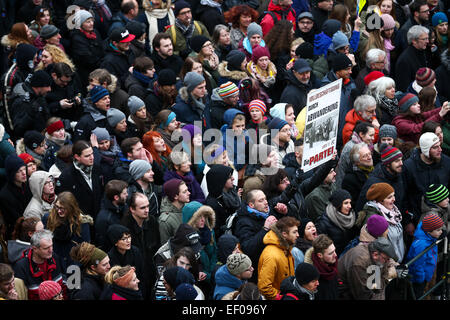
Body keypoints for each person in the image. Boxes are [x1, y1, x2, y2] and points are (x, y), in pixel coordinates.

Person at [402, 132, 450, 228]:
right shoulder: (409, 167)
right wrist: (407, 221)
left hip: (444, 217)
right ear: (426, 150)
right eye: (435, 147)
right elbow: (404, 195)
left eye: (439, 146)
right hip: (418, 219)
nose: (440, 150)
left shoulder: (447, 162)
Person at [121, 192, 160, 297]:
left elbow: (157, 246)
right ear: (132, 209)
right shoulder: (125, 227)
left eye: (148, 206)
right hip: (135, 275)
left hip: (151, 272)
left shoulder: (152, 221)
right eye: (142, 208)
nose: (147, 210)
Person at [233, 189, 278, 283]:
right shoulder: (243, 222)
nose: (266, 203)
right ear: (251, 205)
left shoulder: (266, 213)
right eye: (261, 200)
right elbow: (248, 248)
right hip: (257, 270)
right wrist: (265, 229)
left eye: (265, 199)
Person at [357, 183, 405, 263]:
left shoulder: (393, 212)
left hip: (397, 260)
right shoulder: (373, 218)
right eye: (389, 197)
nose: (394, 199)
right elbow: (375, 247)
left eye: (393, 195)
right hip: (387, 263)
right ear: (379, 200)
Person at [56, 140, 104, 220]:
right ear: (77, 157)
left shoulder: (96, 168)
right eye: (87, 156)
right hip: (80, 221)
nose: (92, 157)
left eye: (92, 154)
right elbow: (63, 201)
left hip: (98, 216)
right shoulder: (66, 177)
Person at [13, 229, 66, 300]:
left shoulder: (55, 258)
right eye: (46, 248)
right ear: (35, 248)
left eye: (51, 246)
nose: (51, 250)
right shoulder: (21, 267)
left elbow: (65, 284)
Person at [356, 143, 404, 213]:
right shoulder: (374, 182)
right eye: (397, 161)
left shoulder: (398, 174)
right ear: (387, 164)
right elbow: (361, 208)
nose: (401, 163)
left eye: (401, 160)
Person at [258, 216, 298, 299]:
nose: (298, 235)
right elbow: (264, 287)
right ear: (284, 234)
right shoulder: (271, 255)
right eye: (294, 232)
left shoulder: (286, 249)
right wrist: (281, 297)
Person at [321, 53, 356, 149]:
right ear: (338, 71)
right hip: (333, 139)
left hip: (347, 133)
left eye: (351, 68)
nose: (350, 72)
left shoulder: (350, 82)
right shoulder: (327, 88)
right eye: (347, 69)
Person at [406, 213, 444, 299]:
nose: (441, 232)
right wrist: (421, 279)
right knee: (418, 296)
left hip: (427, 274)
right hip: (419, 279)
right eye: (438, 230)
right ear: (429, 231)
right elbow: (417, 264)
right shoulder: (421, 245)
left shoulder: (430, 237)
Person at [9, 70, 52, 139]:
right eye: (47, 86)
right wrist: (31, 114)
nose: (49, 89)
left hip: (42, 138)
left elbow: (47, 117)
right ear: (38, 86)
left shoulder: (39, 97)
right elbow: (18, 130)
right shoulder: (21, 101)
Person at [315, 189, 357, 255]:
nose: (350, 206)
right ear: (338, 205)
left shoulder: (351, 217)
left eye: (350, 203)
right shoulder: (323, 223)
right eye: (346, 203)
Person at [69, 10, 104, 89]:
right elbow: (88, 59)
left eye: (92, 20)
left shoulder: (95, 32)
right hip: (87, 74)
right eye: (88, 22)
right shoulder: (77, 38)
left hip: (99, 68)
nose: (92, 23)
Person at [205, 164, 241, 239]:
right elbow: (216, 232)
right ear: (220, 181)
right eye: (229, 177)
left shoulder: (232, 193)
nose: (233, 178)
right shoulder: (211, 205)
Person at [0, 154, 32, 238]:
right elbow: (16, 219)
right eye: (18, 171)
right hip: (18, 231)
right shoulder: (5, 195)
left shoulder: (27, 183)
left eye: (23, 169)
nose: (24, 173)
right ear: (11, 174)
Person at [106, 224, 145, 291]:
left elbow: (142, 273)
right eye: (124, 239)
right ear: (115, 242)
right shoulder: (110, 257)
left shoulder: (135, 251)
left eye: (129, 237)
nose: (128, 241)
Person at [395, 25, 431, 92]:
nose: (427, 41)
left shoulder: (424, 52)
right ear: (414, 41)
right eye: (424, 39)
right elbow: (403, 87)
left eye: (427, 38)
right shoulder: (404, 60)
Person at [95, 179, 129, 251]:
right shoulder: (104, 219)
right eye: (124, 193)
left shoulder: (124, 206)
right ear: (116, 197)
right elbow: (103, 244)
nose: (127, 195)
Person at [302, 234, 338, 300]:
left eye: (334, 250)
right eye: (331, 253)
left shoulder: (333, 266)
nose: (335, 255)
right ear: (320, 255)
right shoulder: (311, 276)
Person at [159, 179, 191, 245]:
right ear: (175, 196)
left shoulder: (189, 208)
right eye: (184, 192)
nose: (189, 193)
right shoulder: (165, 221)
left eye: (187, 190)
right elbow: (166, 247)